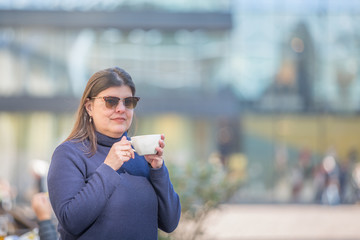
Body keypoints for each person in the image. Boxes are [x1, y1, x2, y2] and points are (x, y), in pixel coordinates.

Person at [47, 67, 181, 240]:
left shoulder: (141, 155)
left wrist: (158, 169)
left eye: (128, 102)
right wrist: (109, 167)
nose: (121, 109)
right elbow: (71, 221)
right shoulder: (69, 154)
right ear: (89, 107)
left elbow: (170, 223)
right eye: (111, 101)